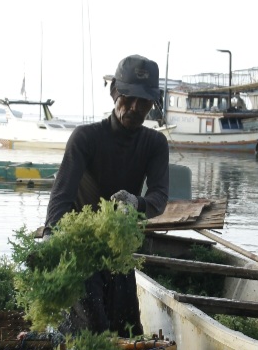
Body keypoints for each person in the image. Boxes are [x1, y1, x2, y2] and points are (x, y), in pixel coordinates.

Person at [42, 54, 170, 335]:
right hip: (80, 252)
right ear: (114, 92)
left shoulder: (155, 144)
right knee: (89, 329)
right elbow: (61, 196)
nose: (136, 107)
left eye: (145, 101)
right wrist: (52, 240)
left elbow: (160, 197)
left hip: (118, 251)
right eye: (129, 97)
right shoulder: (86, 138)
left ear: (153, 103)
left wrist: (137, 203)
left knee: (125, 332)